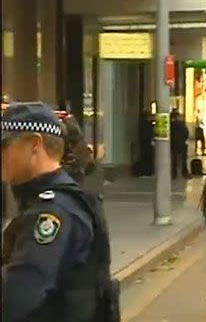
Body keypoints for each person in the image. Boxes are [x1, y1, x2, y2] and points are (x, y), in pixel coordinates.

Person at [2, 102, 119, 322]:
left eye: (5, 146)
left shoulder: (51, 212)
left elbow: (19, 296)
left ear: (34, 145)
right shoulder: (58, 198)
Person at [170, 112, 191, 179]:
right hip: (182, 143)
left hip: (174, 144)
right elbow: (186, 133)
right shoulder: (182, 124)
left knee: (174, 159)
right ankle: (184, 173)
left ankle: (174, 174)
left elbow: (171, 135)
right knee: (183, 159)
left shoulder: (171, 125)